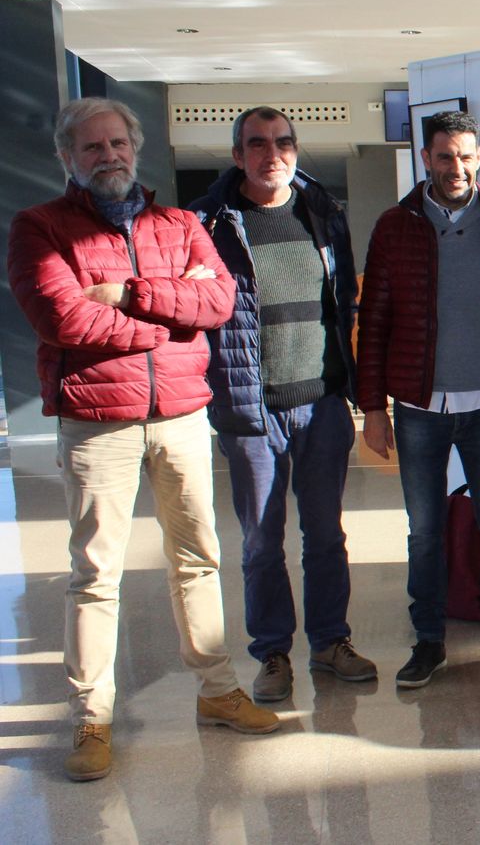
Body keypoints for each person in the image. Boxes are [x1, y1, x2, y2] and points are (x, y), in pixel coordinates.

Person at [8, 97, 279, 782]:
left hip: (183, 414)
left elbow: (218, 303)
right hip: (97, 423)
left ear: (136, 149)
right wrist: (168, 317)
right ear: (69, 158)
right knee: (95, 574)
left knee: (198, 558)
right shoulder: (40, 227)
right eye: (93, 148)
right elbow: (61, 319)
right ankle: (90, 717)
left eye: (118, 144)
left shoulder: (180, 221)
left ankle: (218, 691)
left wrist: (126, 295)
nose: (109, 156)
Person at [190, 106, 375, 703]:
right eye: (258, 144)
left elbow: (342, 301)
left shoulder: (322, 212)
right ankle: (272, 651)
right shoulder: (209, 223)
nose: (273, 153)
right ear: (238, 155)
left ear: (296, 150)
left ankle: (330, 642)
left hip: (320, 401)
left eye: (284, 142)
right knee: (260, 541)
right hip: (251, 407)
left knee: (326, 533)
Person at [357, 110, 480, 688]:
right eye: (443, 156)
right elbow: (375, 320)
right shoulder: (394, 227)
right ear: (426, 159)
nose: (455, 167)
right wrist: (373, 409)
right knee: (424, 528)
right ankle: (428, 639)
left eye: (465, 156)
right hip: (418, 409)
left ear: (479, 158)